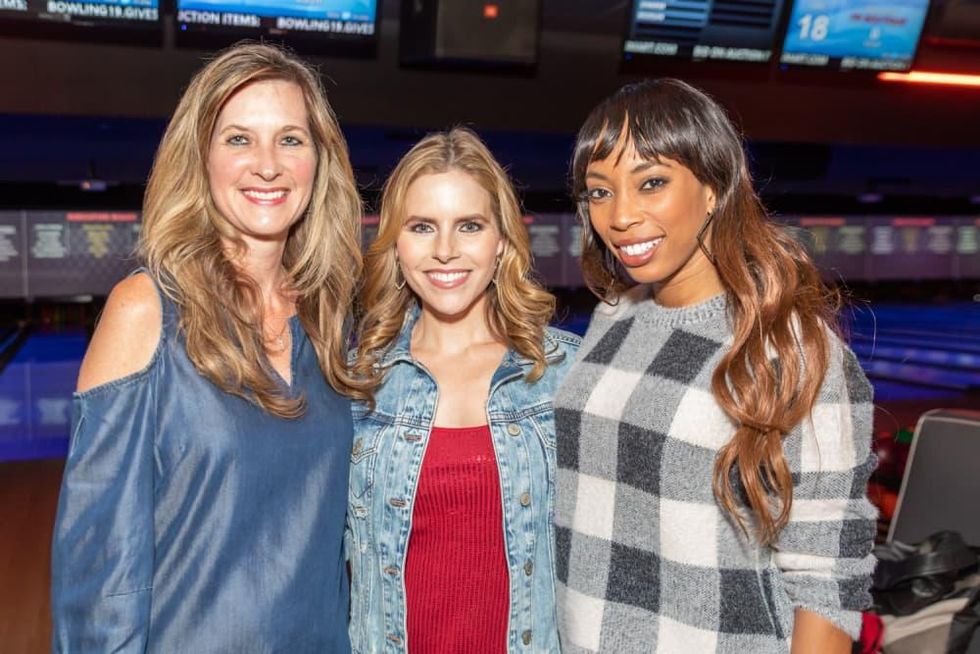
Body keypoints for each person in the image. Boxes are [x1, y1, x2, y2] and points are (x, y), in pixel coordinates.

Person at [50, 43, 363, 652]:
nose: (267, 165)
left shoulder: (328, 321)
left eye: (291, 140)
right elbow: (98, 573)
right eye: (239, 139)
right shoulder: (147, 310)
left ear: (319, 161)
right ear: (201, 157)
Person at [554, 79, 877, 653]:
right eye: (600, 191)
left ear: (713, 188)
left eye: (652, 183)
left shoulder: (793, 349)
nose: (620, 215)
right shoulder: (613, 317)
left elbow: (826, 580)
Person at [348, 127, 580, 653]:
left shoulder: (566, 375)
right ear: (396, 244)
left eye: (469, 226)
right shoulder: (356, 384)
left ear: (502, 242)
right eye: (422, 227)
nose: (445, 251)